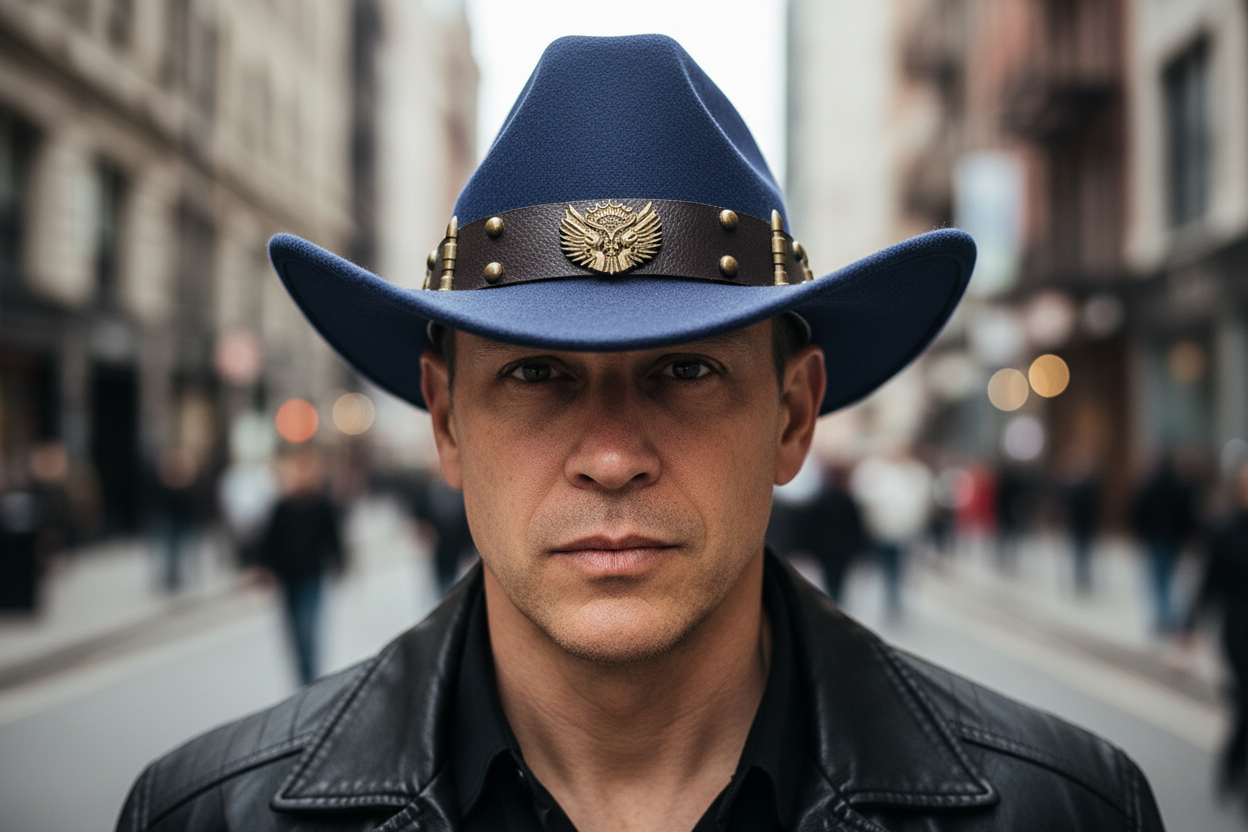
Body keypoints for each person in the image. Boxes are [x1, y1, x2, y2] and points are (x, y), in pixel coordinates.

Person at [117, 35, 1163, 832]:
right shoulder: (203, 814)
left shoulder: (1066, 809)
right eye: (536, 375)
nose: (612, 455)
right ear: (445, 419)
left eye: (685, 371)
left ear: (792, 415)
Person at [245, 448, 344, 685]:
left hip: (312, 575)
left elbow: (333, 538)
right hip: (287, 578)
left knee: (307, 626)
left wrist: (339, 563)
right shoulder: (282, 507)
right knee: (293, 631)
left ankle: (311, 678)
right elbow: (268, 543)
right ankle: (302, 678)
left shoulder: (321, 506)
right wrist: (262, 569)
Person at [1183, 461, 1248, 807]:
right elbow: (1207, 587)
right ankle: (1232, 767)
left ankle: (1235, 762)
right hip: (1239, 631)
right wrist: (1187, 631)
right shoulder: (1224, 531)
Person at [1131, 453, 1197, 633]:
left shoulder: (1149, 487)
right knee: (1169, 577)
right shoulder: (1180, 487)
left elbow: (1139, 512)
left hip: (1155, 538)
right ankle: (1167, 615)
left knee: (1159, 578)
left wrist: (1142, 533)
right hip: (1173, 539)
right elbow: (1187, 515)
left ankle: (1163, 616)